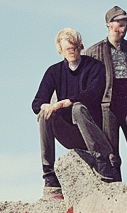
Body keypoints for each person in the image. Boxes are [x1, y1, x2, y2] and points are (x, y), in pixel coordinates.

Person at [32, 28, 117, 198]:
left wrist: (65, 102)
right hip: (70, 134)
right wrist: (47, 107)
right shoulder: (54, 72)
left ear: (80, 46)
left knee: (78, 108)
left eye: (74, 47)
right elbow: (37, 102)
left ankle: (100, 163)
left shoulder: (94, 67)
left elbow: (93, 94)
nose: (71, 52)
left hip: (93, 131)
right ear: (60, 50)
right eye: (67, 49)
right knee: (44, 115)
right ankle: (50, 177)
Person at [84, 6, 127, 181]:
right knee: (111, 152)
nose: (124, 28)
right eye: (120, 23)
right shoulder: (93, 51)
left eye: (125, 23)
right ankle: (116, 187)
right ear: (110, 25)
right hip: (108, 105)